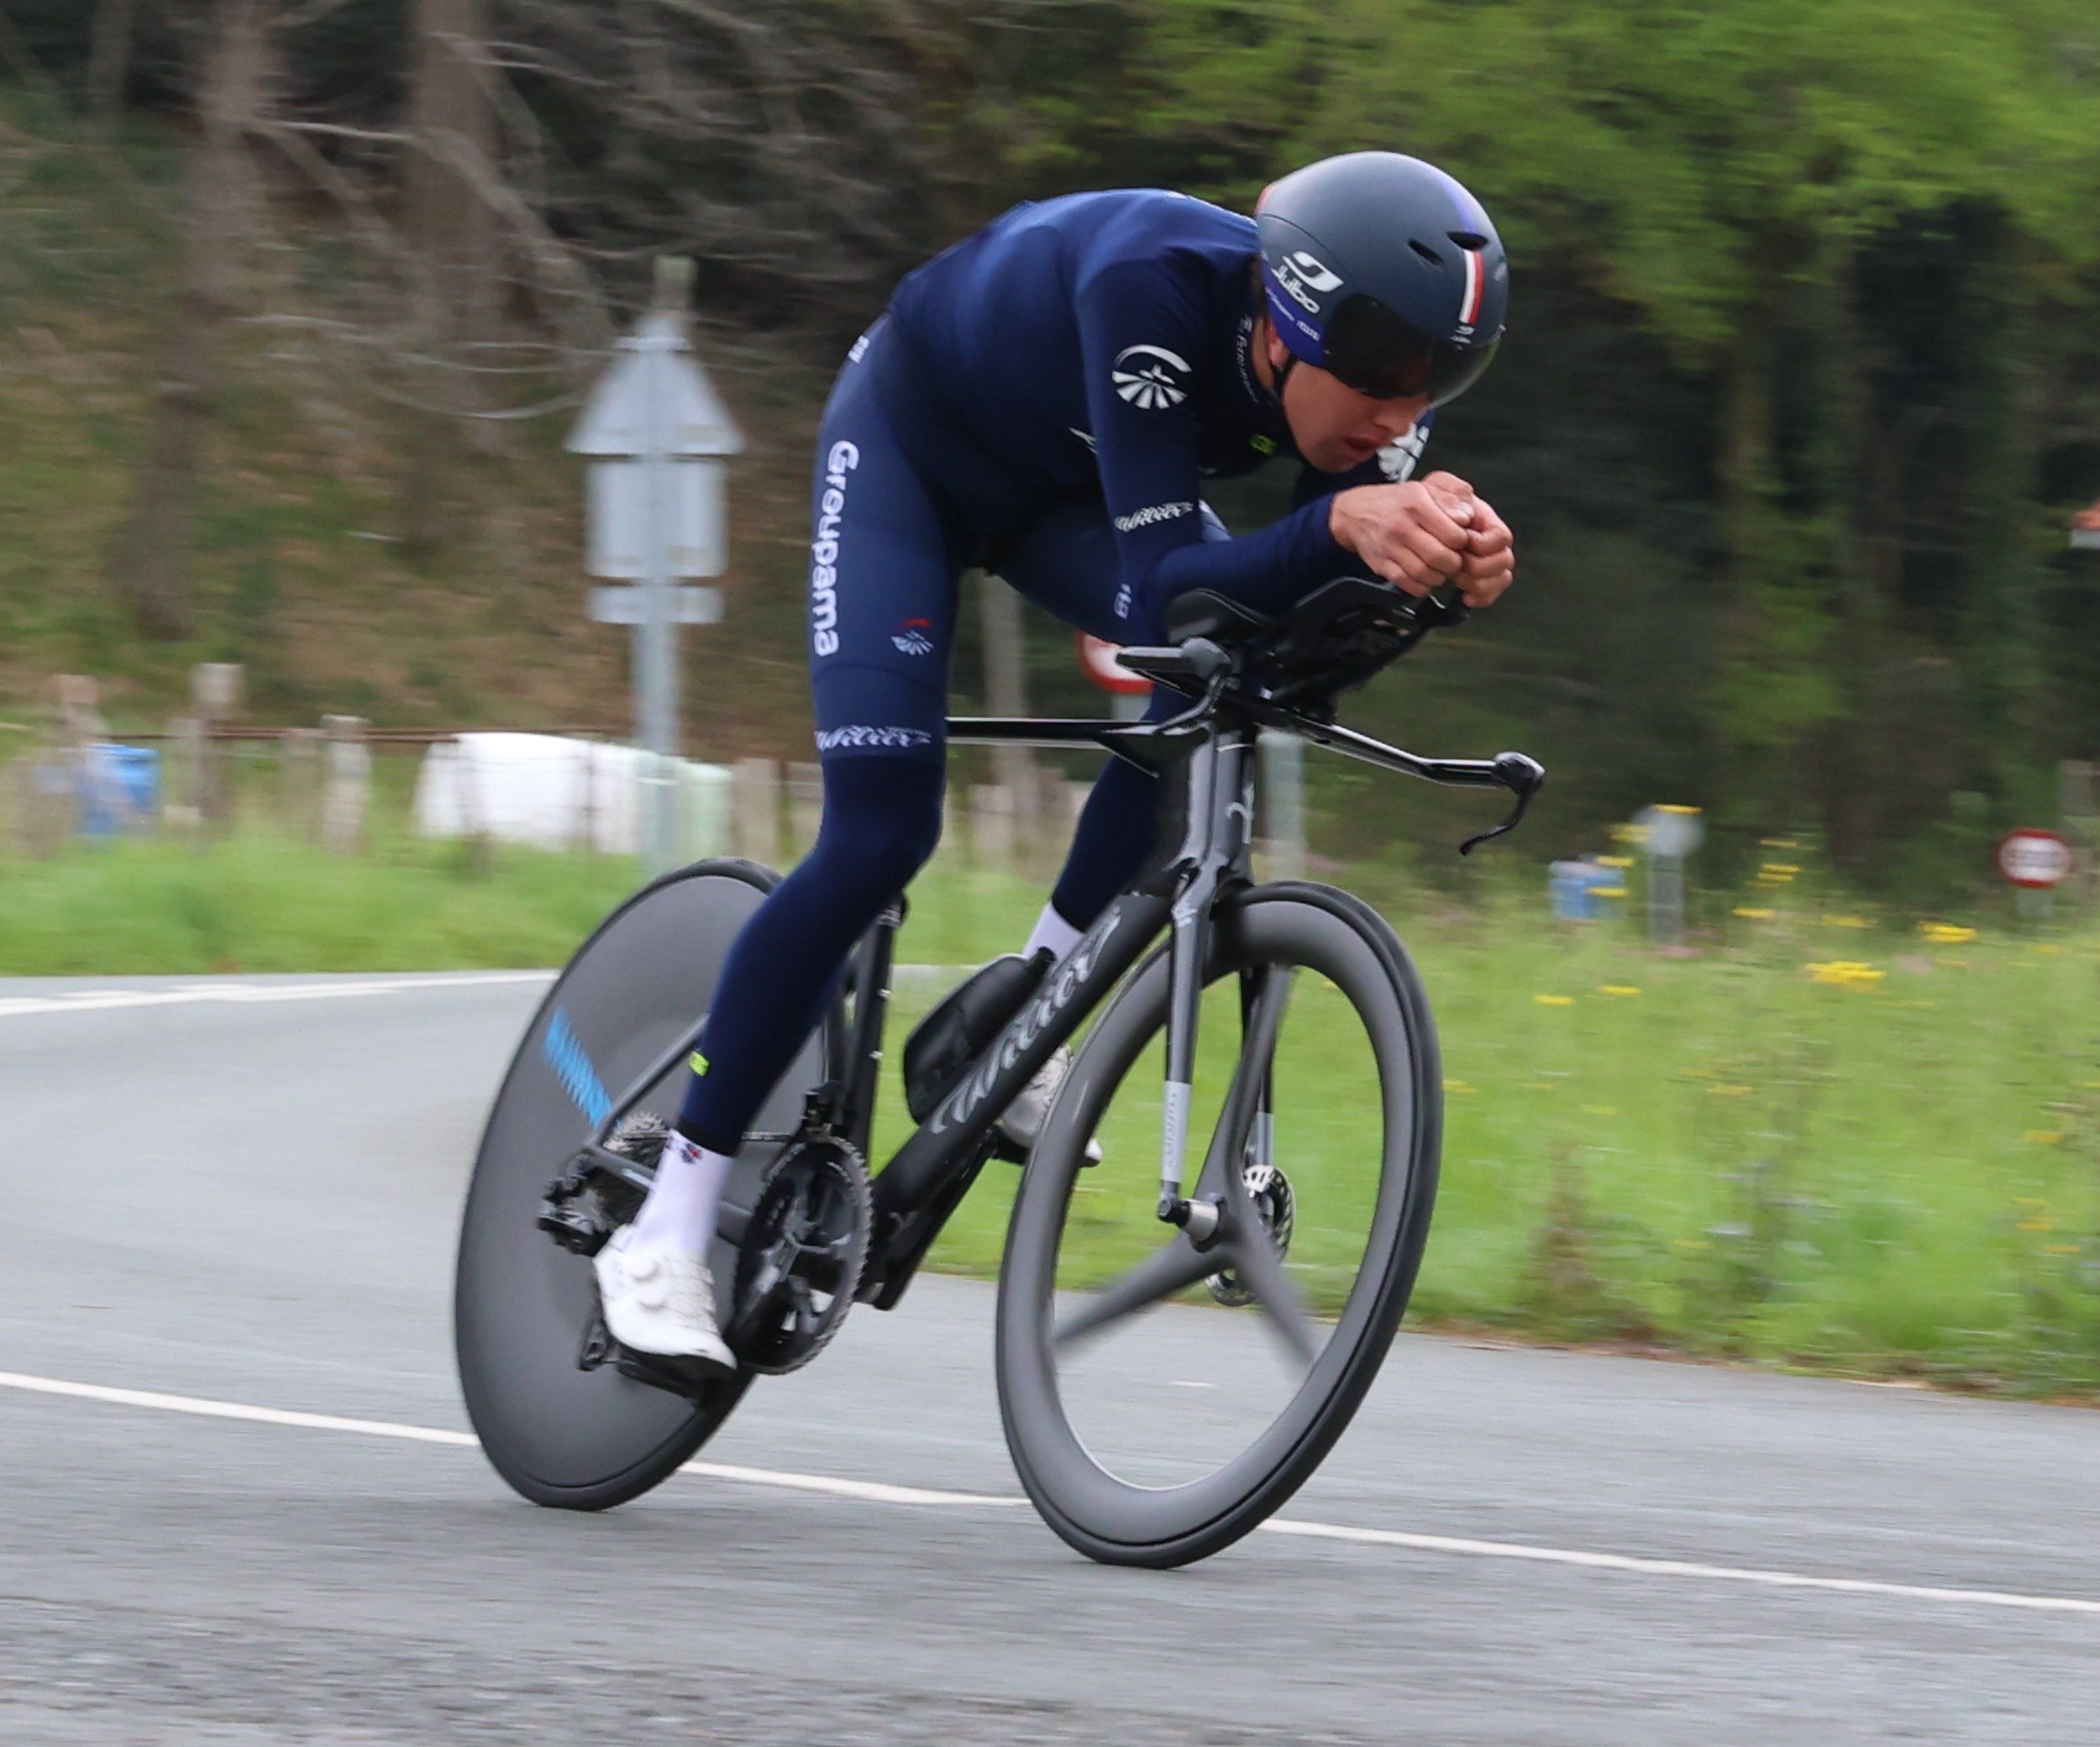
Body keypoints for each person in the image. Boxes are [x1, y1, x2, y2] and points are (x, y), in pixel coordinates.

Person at [595, 151, 1518, 1367]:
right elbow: (1158, 595)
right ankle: (667, 1223)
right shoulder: (1152, 290)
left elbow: (1305, 646)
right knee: (881, 835)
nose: (1405, 417)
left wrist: (1440, 586)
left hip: (1057, 494)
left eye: (1440, 384)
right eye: (1389, 380)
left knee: (1224, 690)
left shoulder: (1369, 402)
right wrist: (1337, 526)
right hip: (912, 459)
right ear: (1291, 325)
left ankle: (1024, 1007)